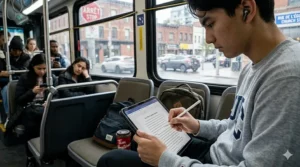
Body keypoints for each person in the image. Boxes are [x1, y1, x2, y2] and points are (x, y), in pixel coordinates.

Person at [98, 0, 300, 167]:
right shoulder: (251, 68)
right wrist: (196, 126)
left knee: (111, 160)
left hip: (222, 162)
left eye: (210, 24)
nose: (208, 39)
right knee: (140, 141)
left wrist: (166, 161)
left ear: (247, 10)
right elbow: (234, 127)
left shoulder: (286, 76)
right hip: (215, 152)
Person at [14, 54, 57, 167]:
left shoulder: (52, 78)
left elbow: (58, 95)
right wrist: (32, 92)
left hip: (45, 107)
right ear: (32, 66)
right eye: (39, 68)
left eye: (44, 68)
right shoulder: (25, 78)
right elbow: (19, 100)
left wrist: (49, 101)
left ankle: (48, 152)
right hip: (29, 107)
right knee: (32, 123)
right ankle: (31, 156)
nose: (42, 72)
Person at [0, 36, 31, 115]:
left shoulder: (26, 57)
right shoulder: (5, 56)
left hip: (20, 79)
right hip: (7, 81)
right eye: (14, 50)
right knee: (6, 90)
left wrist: (10, 69)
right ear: (10, 49)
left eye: (19, 50)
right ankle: (8, 113)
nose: (17, 52)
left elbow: (23, 70)